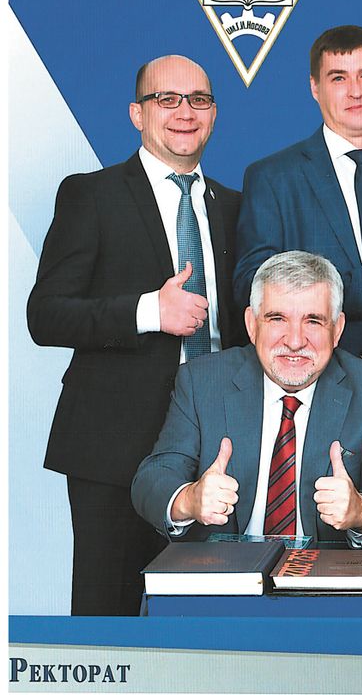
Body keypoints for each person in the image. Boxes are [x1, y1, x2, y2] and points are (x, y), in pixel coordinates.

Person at [26, 55, 243, 615]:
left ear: (213, 113)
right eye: (166, 99)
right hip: (112, 450)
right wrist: (149, 310)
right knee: (108, 620)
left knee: (206, 626)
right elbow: (45, 315)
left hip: (212, 451)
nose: (184, 112)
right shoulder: (92, 195)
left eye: (199, 99)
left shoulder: (233, 206)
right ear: (137, 114)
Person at [235, 26, 362, 533]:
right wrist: (360, 289)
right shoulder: (275, 177)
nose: (355, 91)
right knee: (342, 544)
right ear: (314, 87)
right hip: (332, 397)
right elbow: (250, 282)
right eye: (338, 77)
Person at [132, 251, 362, 545]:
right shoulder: (202, 381)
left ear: (337, 329)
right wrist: (188, 500)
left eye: (313, 321)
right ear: (252, 325)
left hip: (324, 570)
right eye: (277, 319)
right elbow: (151, 480)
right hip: (227, 569)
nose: (295, 341)